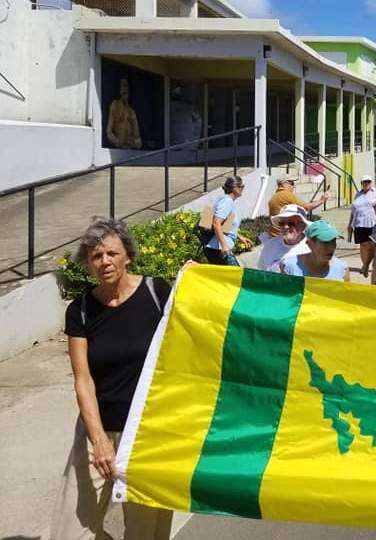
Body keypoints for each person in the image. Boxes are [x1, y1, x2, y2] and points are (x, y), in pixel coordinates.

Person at [54, 217, 173, 540]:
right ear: (88, 264)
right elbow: (83, 379)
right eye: (96, 256)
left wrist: (196, 276)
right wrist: (99, 440)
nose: (104, 261)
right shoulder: (79, 310)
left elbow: (202, 323)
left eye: (111, 253)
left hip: (149, 433)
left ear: (128, 256)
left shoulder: (157, 292)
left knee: (145, 532)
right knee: (70, 531)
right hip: (98, 428)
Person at [279, 220, 350, 281]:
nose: (332, 247)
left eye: (333, 241)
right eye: (325, 242)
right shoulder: (289, 267)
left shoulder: (342, 270)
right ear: (309, 243)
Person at [205, 176, 252, 266]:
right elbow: (216, 223)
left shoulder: (226, 201)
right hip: (218, 249)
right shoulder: (227, 202)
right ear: (235, 188)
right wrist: (224, 246)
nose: (243, 188)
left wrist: (239, 237)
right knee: (235, 277)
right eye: (242, 186)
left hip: (217, 248)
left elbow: (225, 226)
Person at [258, 204, 311, 272]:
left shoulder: (312, 248)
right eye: (282, 223)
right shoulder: (269, 246)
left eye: (291, 223)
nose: (286, 227)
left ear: (303, 226)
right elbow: (262, 273)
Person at [348, 175, 376, 277]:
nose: (366, 183)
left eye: (368, 181)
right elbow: (353, 211)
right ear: (361, 183)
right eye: (364, 182)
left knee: (372, 245)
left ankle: (366, 265)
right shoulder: (358, 194)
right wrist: (350, 224)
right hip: (359, 223)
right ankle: (365, 265)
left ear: (371, 182)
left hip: (372, 223)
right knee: (363, 246)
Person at [106, 78, 142, 149]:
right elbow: (109, 132)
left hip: (130, 151)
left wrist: (135, 144)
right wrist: (117, 142)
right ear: (118, 88)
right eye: (123, 85)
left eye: (127, 86)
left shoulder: (132, 112)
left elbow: (138, 140)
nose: (125, 89)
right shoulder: (115, 105)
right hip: (118, 150)